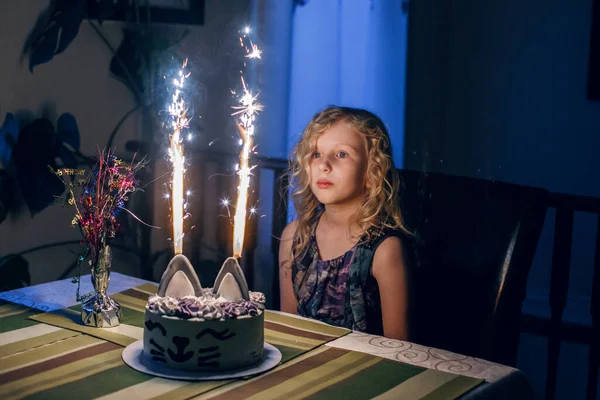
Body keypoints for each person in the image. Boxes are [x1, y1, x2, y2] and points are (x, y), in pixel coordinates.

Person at [279, 105, 411, 340]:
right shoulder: (294, 237)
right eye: (316, 154)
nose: (324, 164)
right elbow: (288, 332)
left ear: (372, 171)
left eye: (341, 154)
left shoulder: (385, 250)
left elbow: (399, 349)